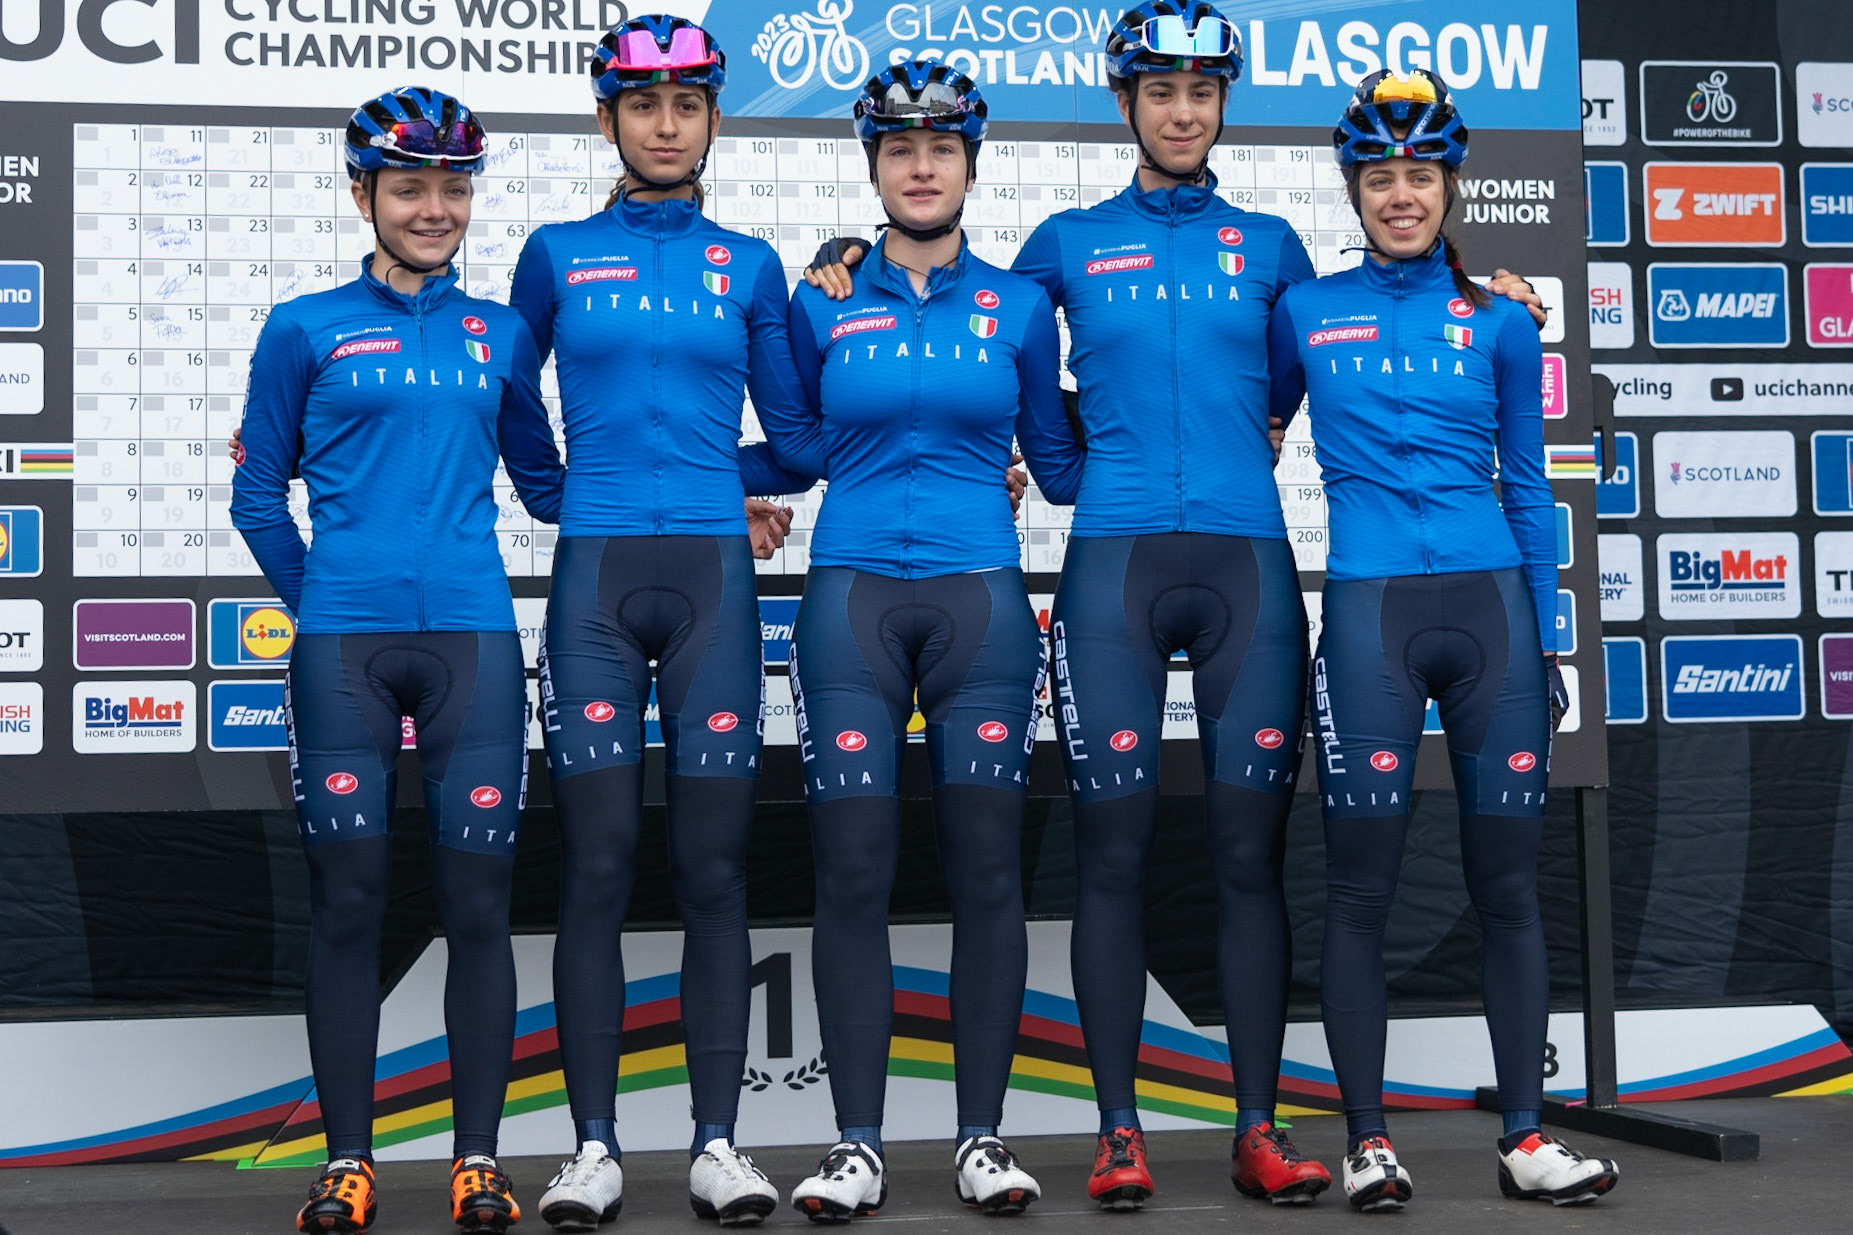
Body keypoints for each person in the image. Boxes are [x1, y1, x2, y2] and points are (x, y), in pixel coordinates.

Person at [803, 1, 1547, 1211]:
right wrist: (846, 252)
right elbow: (972, 318)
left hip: (1247, 568)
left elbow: (1327, 383)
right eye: (1160, 90)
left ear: (1223, 105)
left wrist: (1487, 290)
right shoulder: (1059, 242)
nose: (1182, 109)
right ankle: (1116, 1131)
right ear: (1124, 103)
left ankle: (1257, 1128)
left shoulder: (1278, 256)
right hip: (1112, 570)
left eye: (1203, 90)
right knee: (1112, 854)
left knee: (1248, 857)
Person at [1267, 68, 1619, 1212]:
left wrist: (1546, 634)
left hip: (1490, 622)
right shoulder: (1302, 311)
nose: (1400, 195)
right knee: (1358, 891)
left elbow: (1525, 483)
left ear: (1449, 185)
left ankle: (1525, 1137)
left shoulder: (1503, 317)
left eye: (1419, 176)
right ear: (1353, 188)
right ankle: (1368, 1140)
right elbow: (1238, 431)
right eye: (1380, 177)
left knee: (1507, 887)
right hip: (1368, 612)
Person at [750, 61, 1085, 1222]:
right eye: (899, 149)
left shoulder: (1021, 305)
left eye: (941, 147)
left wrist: (1247, 410)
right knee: (851, 875)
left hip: (980, 607)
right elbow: (789, 446)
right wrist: (679, 485)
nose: (922, 165)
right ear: (873, 167)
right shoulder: (819, 296)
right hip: (848, 603)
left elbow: (1064, 460)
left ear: (971, 162)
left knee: (988, 873)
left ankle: (981, 1137)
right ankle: (855, 1143)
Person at [231, 86, 565, 1235]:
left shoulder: (502, 333)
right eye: (412, 184)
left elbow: (556, 484)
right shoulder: (303, 326)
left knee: (479, 907)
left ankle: (478, 1159)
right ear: (362, 190)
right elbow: (254, 493)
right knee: (349, 906)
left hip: (471, 639)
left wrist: (728, 492)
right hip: (345, 654)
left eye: (454, 184)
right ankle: (348, 1161)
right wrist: (322, 599)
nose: (436, 207)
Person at [509, 15, 820, 1230]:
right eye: (642, 106)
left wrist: (704, 476)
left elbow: (795, 443)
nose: (664, 124)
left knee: (709, 869)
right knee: (591, 868)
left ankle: (715, 1142)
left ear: (711, 121)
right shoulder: (552, 253)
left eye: (686, 105)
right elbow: (503, 394)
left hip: (709, 584)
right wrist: (563, 492)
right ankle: (591, 1145)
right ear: (607, 119)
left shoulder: (748, 263)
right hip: (591, 583)